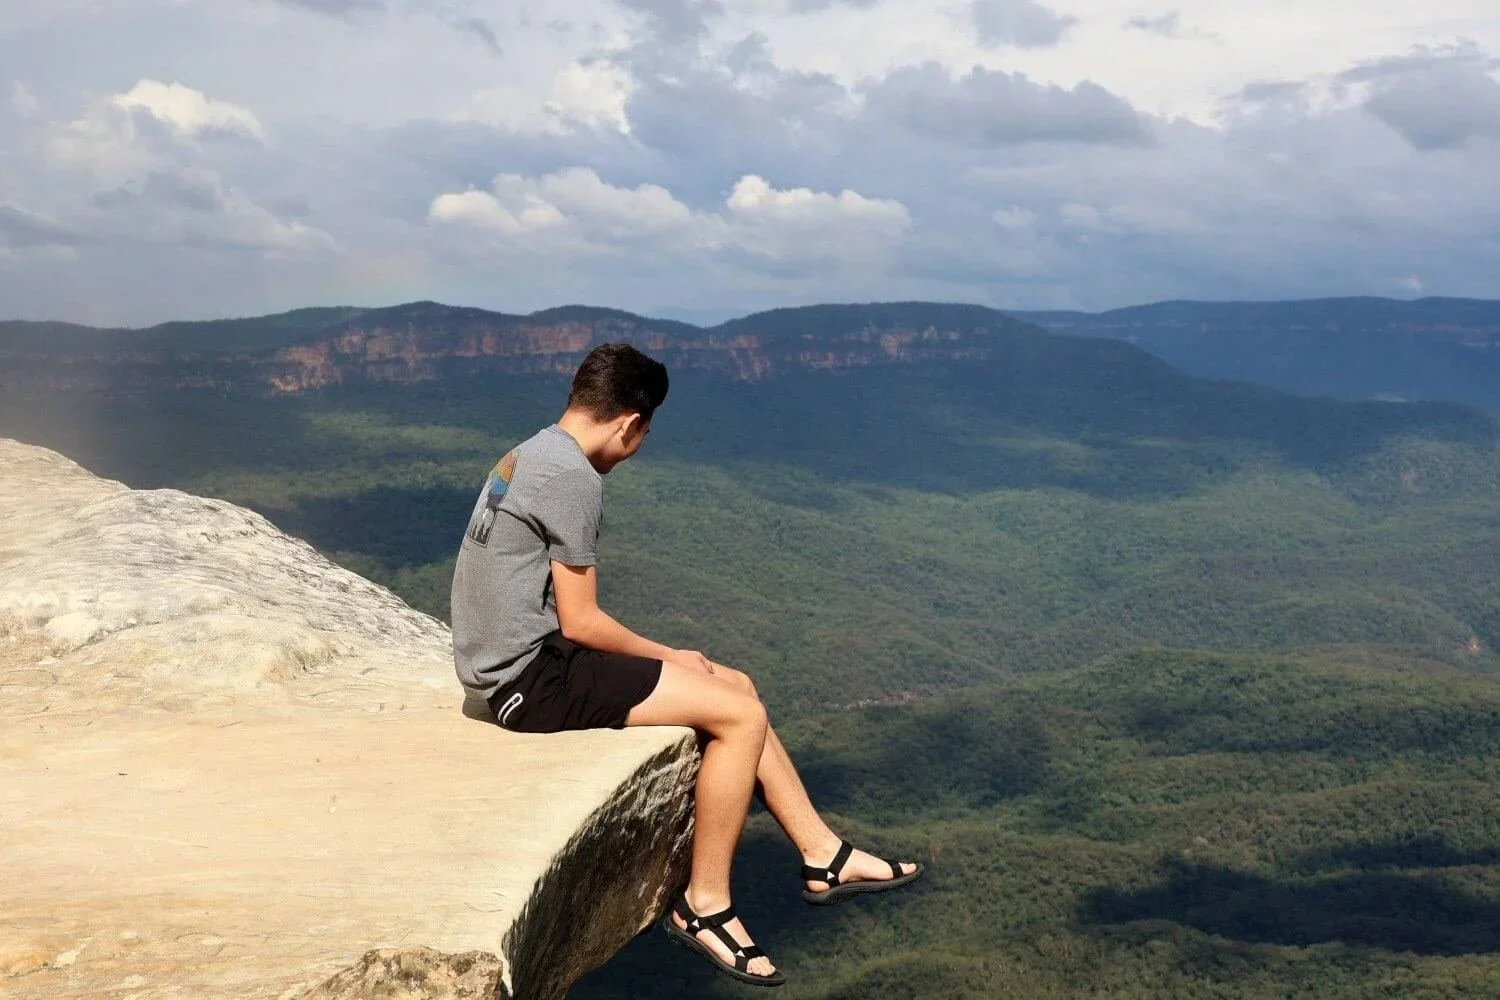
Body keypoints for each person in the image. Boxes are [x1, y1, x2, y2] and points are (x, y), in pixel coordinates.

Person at [450, 342, 922, 987]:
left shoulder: (532, 451)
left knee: (737, 686)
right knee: (740, 715)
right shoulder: (571, 479)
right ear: (629, 423)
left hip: (509, 660)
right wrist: (673, 655)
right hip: (529, 681)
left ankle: (823, 853)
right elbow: (582, 621)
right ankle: (705, 906)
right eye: (644, 434)